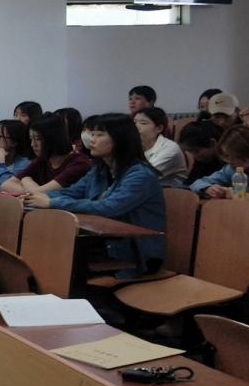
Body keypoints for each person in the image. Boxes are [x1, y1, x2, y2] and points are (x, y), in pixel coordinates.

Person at [24, 113, 165, 272]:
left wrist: (51, 202)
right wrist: (33, 198)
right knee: (43, 248)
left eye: (99, 135)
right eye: (92, 134)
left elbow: (108, 207)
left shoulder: (141, 175)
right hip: (103, 243)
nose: (92, 139)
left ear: (120, 139)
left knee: (55, 259)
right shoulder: (99, 169)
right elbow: (72, 192)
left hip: (134, 255)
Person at [0, 113, 92, 195]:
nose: (33, 144)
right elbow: (5, 185)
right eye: (31, 139)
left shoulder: (79, 163)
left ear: (54, 138)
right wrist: (30, 189)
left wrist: (26, 180)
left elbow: (43, 193)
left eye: (38, 139)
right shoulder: (43, 159)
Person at [134, 107, 188, 185]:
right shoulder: (134, 145)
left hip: (170, 191)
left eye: (143, 123)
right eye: (134, 122)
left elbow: (142, 176)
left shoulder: (170, 148)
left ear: (159, 128)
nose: (136, 127)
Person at [177, 120, 225, 185]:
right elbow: (189, 183)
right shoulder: (201, 161)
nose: (193, 156)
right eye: (190, 151)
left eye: (196, 151)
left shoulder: (227, 165)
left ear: (212, 143)